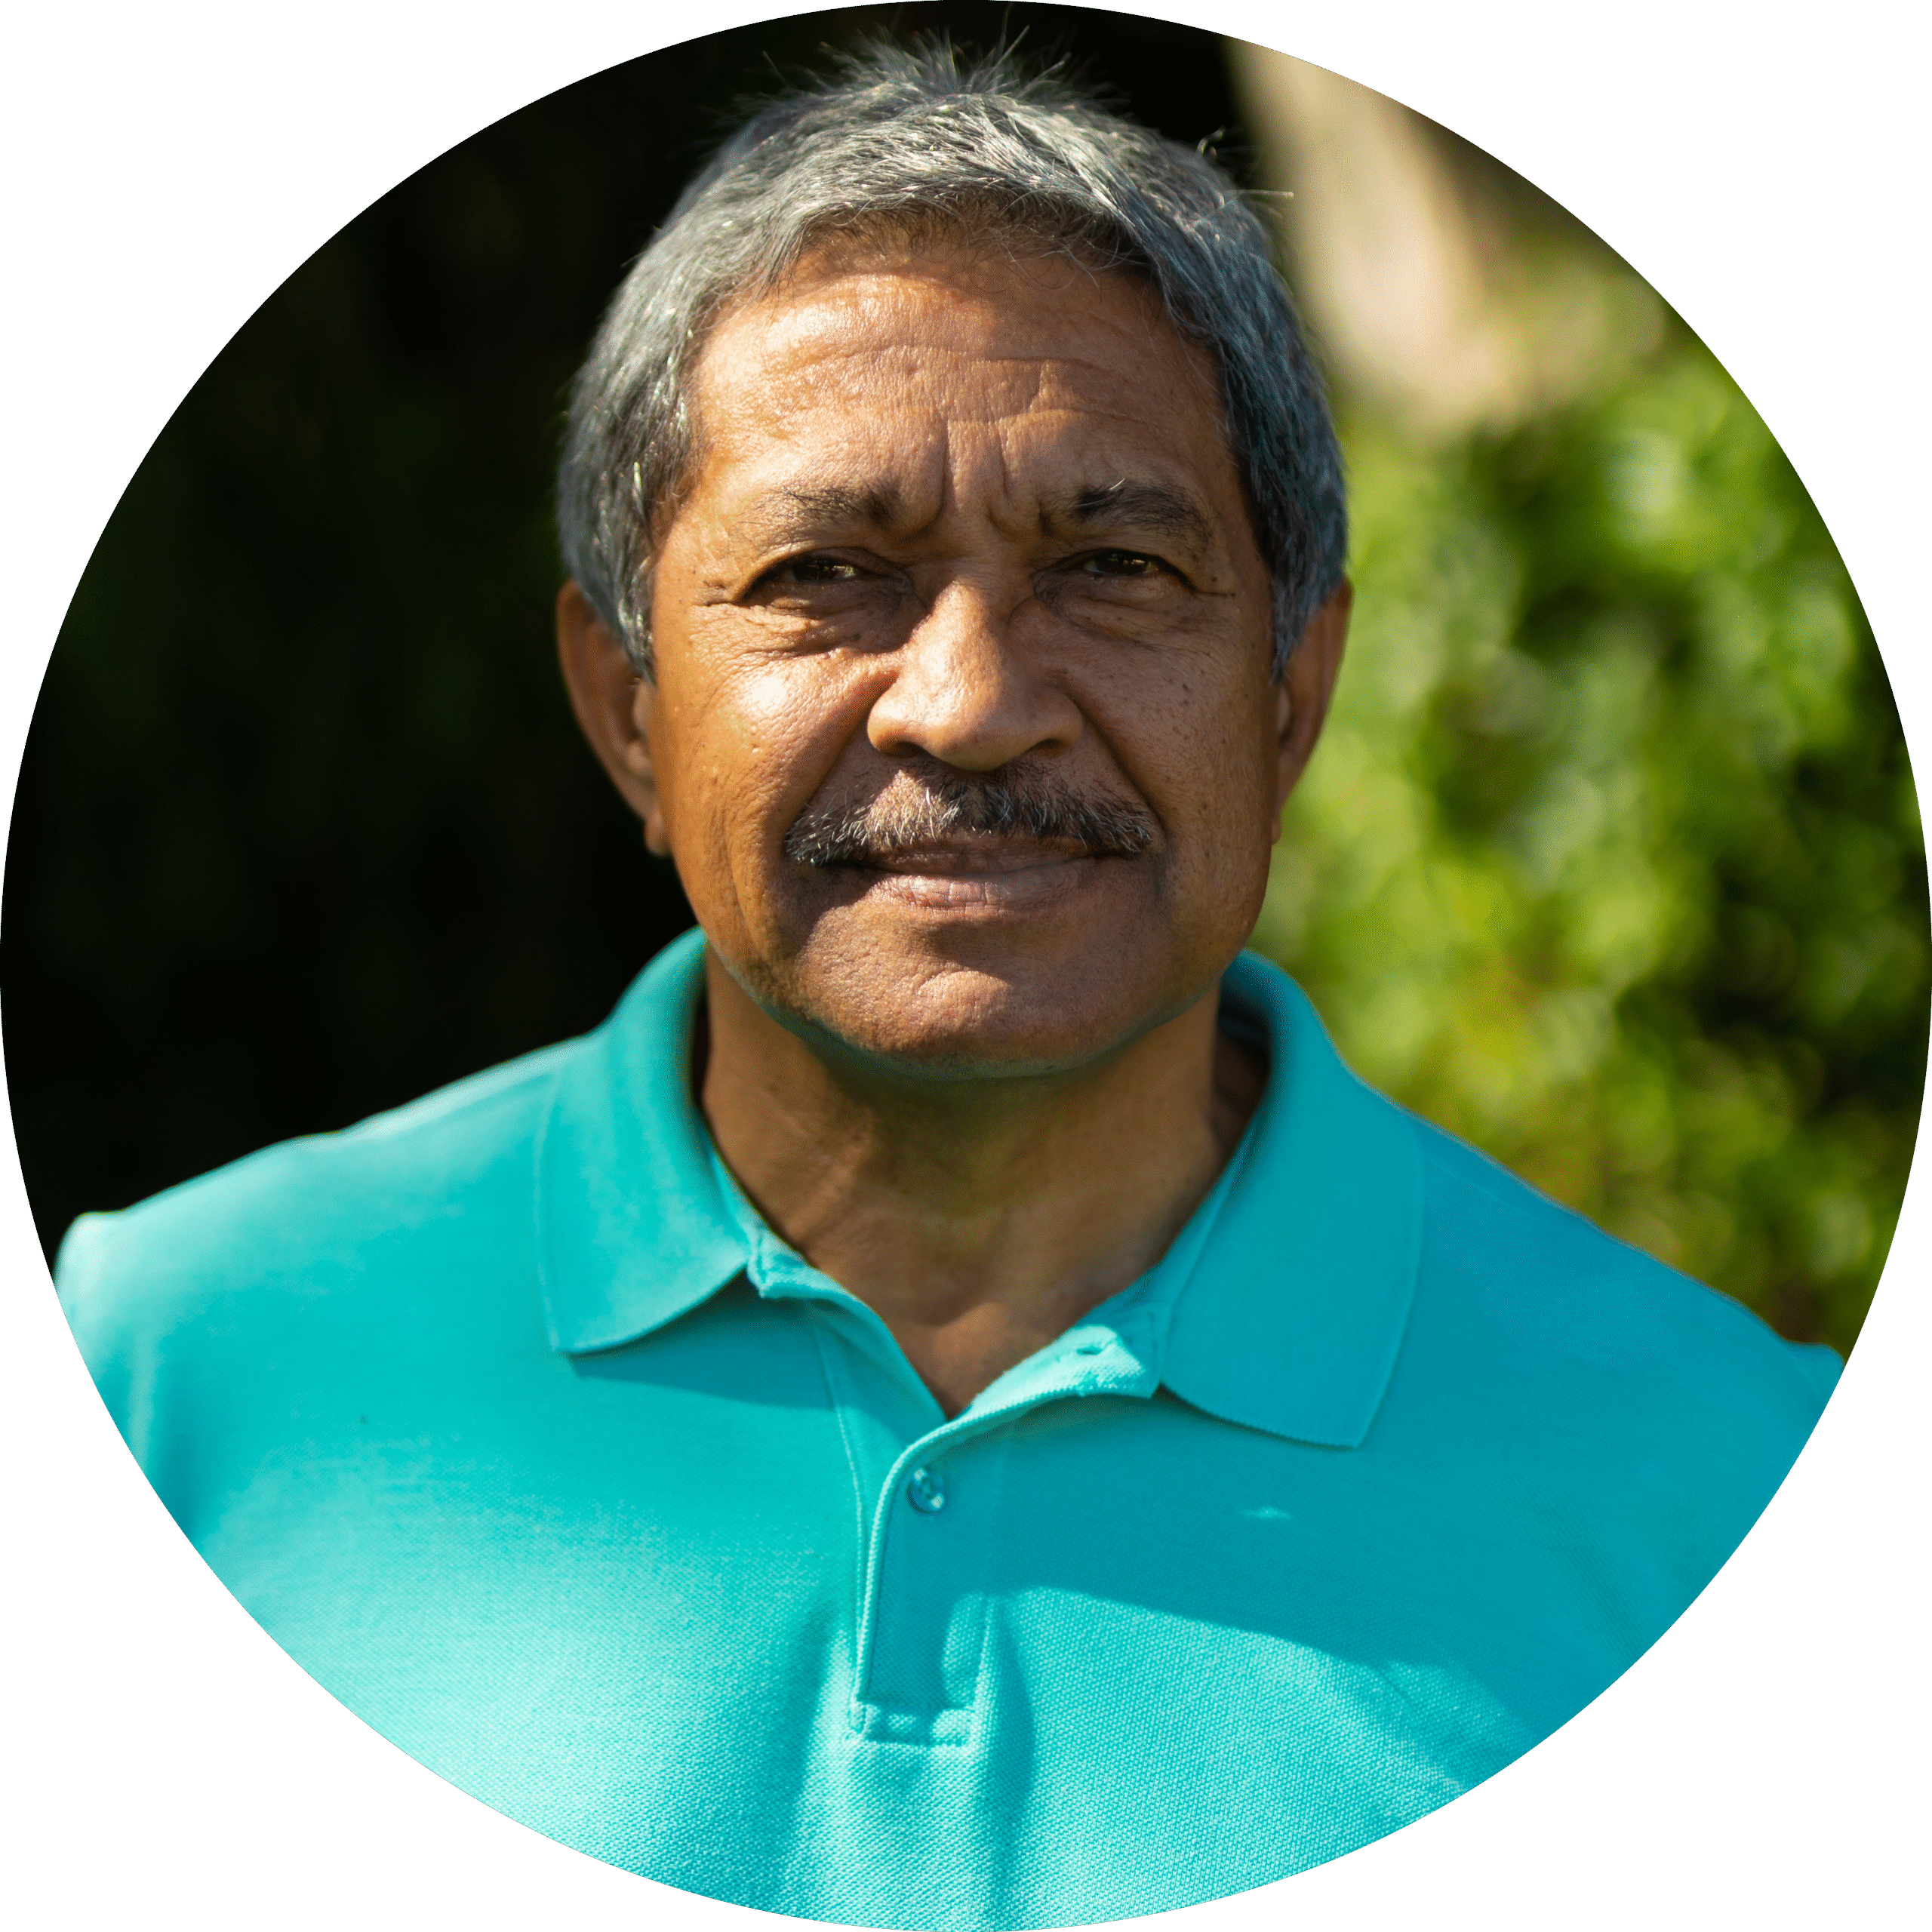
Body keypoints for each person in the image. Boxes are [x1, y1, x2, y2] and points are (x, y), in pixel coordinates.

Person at [57, 42, 1837, 1929]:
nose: (970, 703)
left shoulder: (1729, 1490)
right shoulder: (169, 1371)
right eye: (830, 571)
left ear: (1291, 696)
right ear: (628, 711)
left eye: (1113, 563)